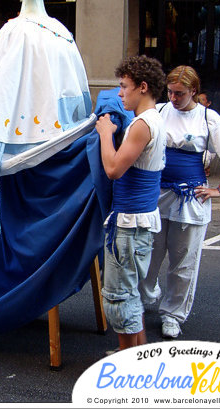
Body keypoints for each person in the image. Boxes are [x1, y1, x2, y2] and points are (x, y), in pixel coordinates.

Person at [140, 65, 220, 338]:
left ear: (194, 92)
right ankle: (146, 295)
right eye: (171, 92)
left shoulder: (208, 119)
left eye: (180, 93)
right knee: (148, 252)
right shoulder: (160, 111)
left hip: (190, 197)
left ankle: (173, 314)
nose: (173, 98)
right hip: (157, 193)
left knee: (183, 260)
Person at [95, 55, 167, 350]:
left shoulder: (141, 125)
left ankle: (129, 368)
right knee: (130, 297)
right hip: (137, 222)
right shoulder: (155, 119)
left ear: (143, 87)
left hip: (129, 224)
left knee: (119, 299)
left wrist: (104, 135)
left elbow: (113, 169)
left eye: (124, 86)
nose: (120, 93)